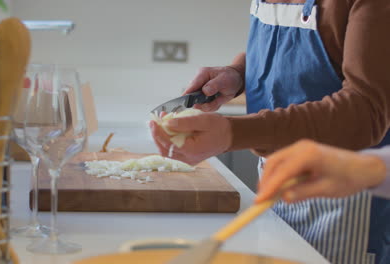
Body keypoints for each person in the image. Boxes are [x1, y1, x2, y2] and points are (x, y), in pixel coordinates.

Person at [149, 0, 390, 263]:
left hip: (347, 204)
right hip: (276, 185)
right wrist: (238, 73)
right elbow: (294, 52)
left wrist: (233, 132)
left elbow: (365, 113)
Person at [255, 139, 390, 203]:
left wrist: (370, 167)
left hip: (349, 185)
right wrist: (240, 82)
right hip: (282, 170)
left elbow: (370, 105)